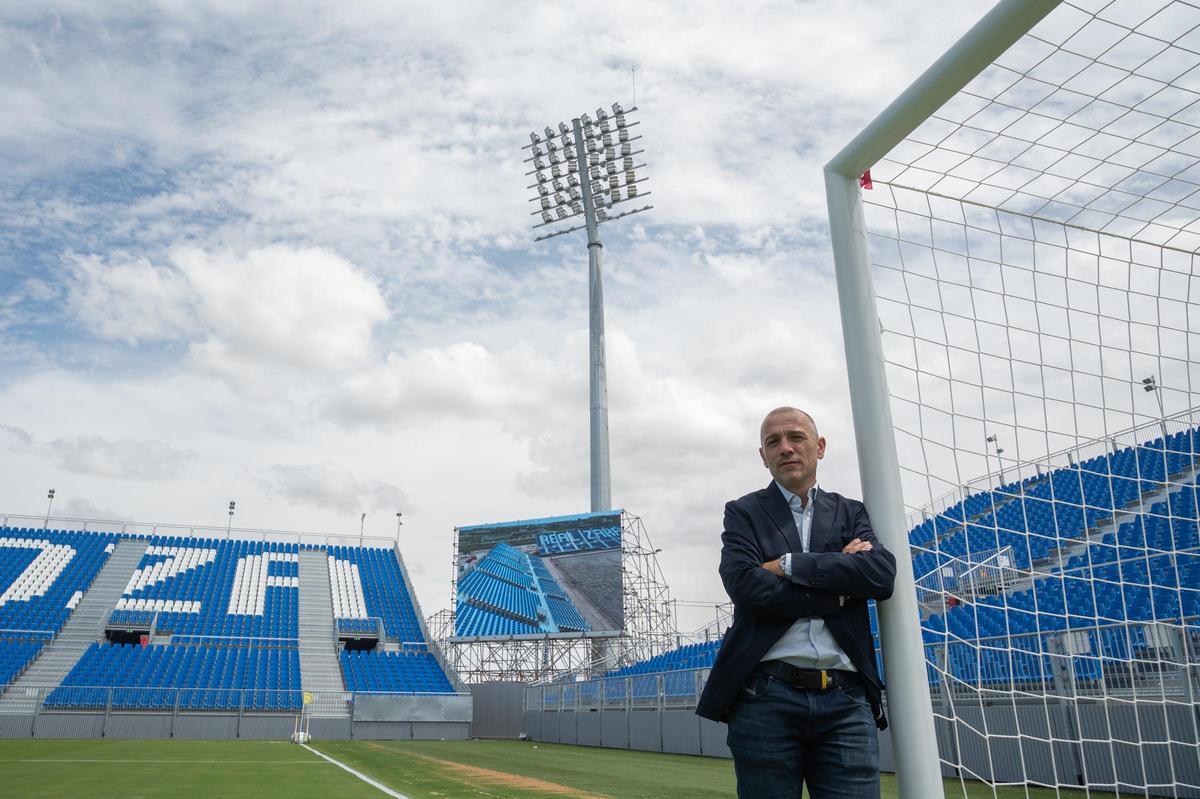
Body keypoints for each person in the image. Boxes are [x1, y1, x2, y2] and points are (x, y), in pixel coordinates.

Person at [696, 407, 896, 799]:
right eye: (774, 442)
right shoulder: (744, 512)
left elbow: (879, 576)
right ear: (763, 456)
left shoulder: (850, 511)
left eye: (796, 437)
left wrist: (786, 565)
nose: (786, 448)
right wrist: (839, 585)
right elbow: (745, 587)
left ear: (819, 447)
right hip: (765, 697)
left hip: (846, 699)